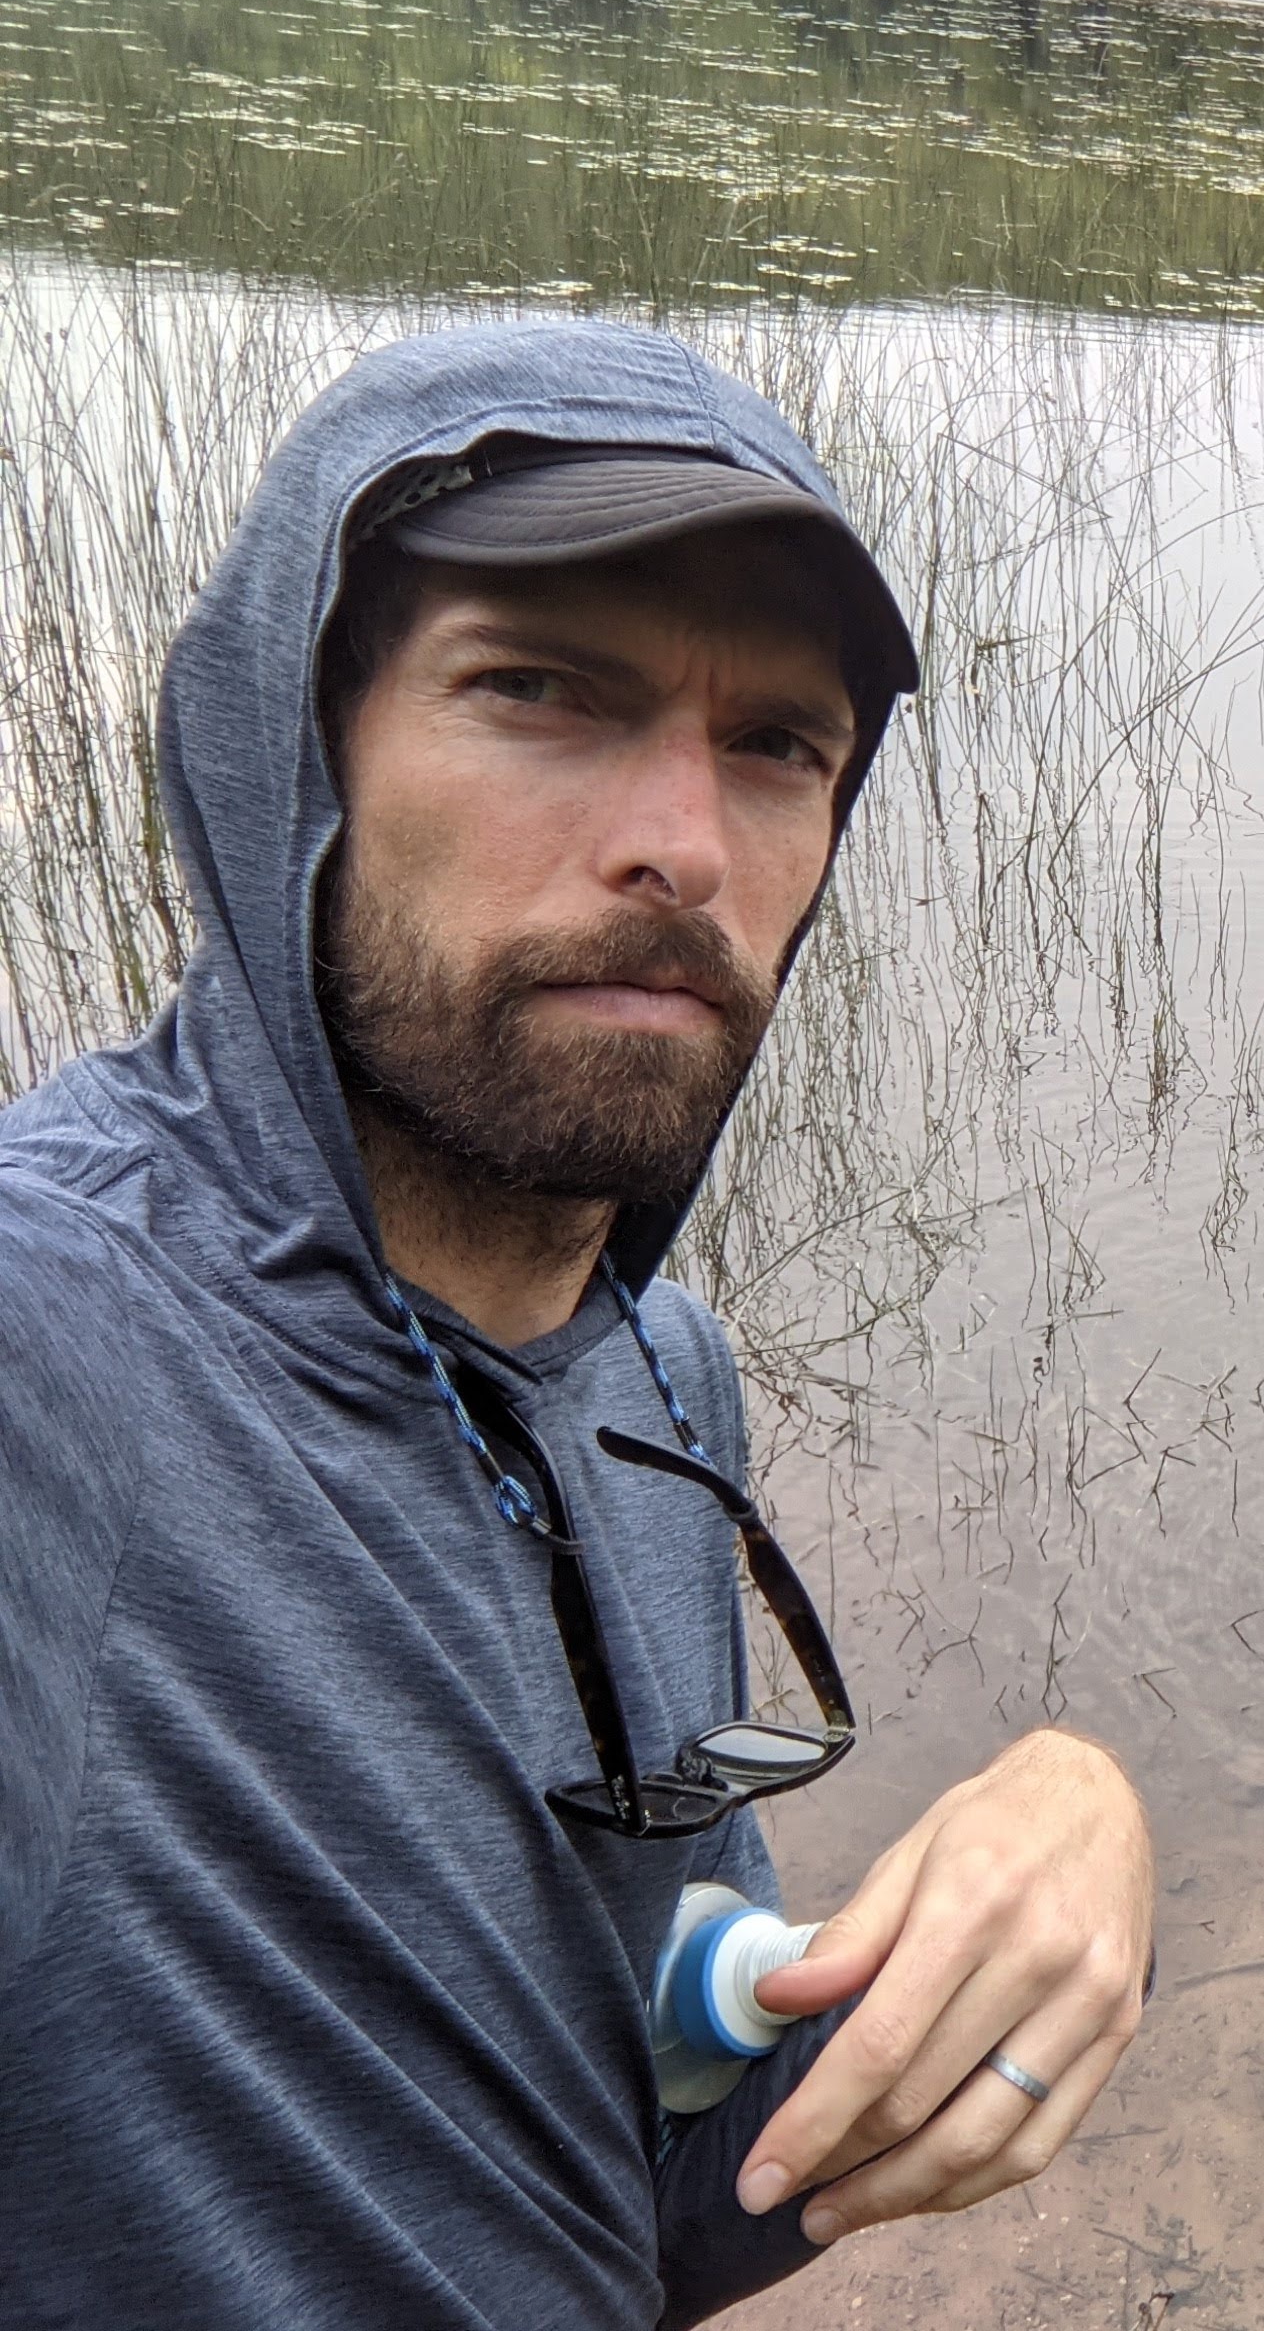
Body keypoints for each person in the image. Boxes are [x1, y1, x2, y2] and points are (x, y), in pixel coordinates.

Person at [0, 324, 1155, 2329]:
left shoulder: (658, 1384)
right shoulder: (54, 1340)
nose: (681, 846)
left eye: (777, 743)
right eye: (540, 689)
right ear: (300, 746)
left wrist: (1068, 1839)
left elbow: (652, 2160)